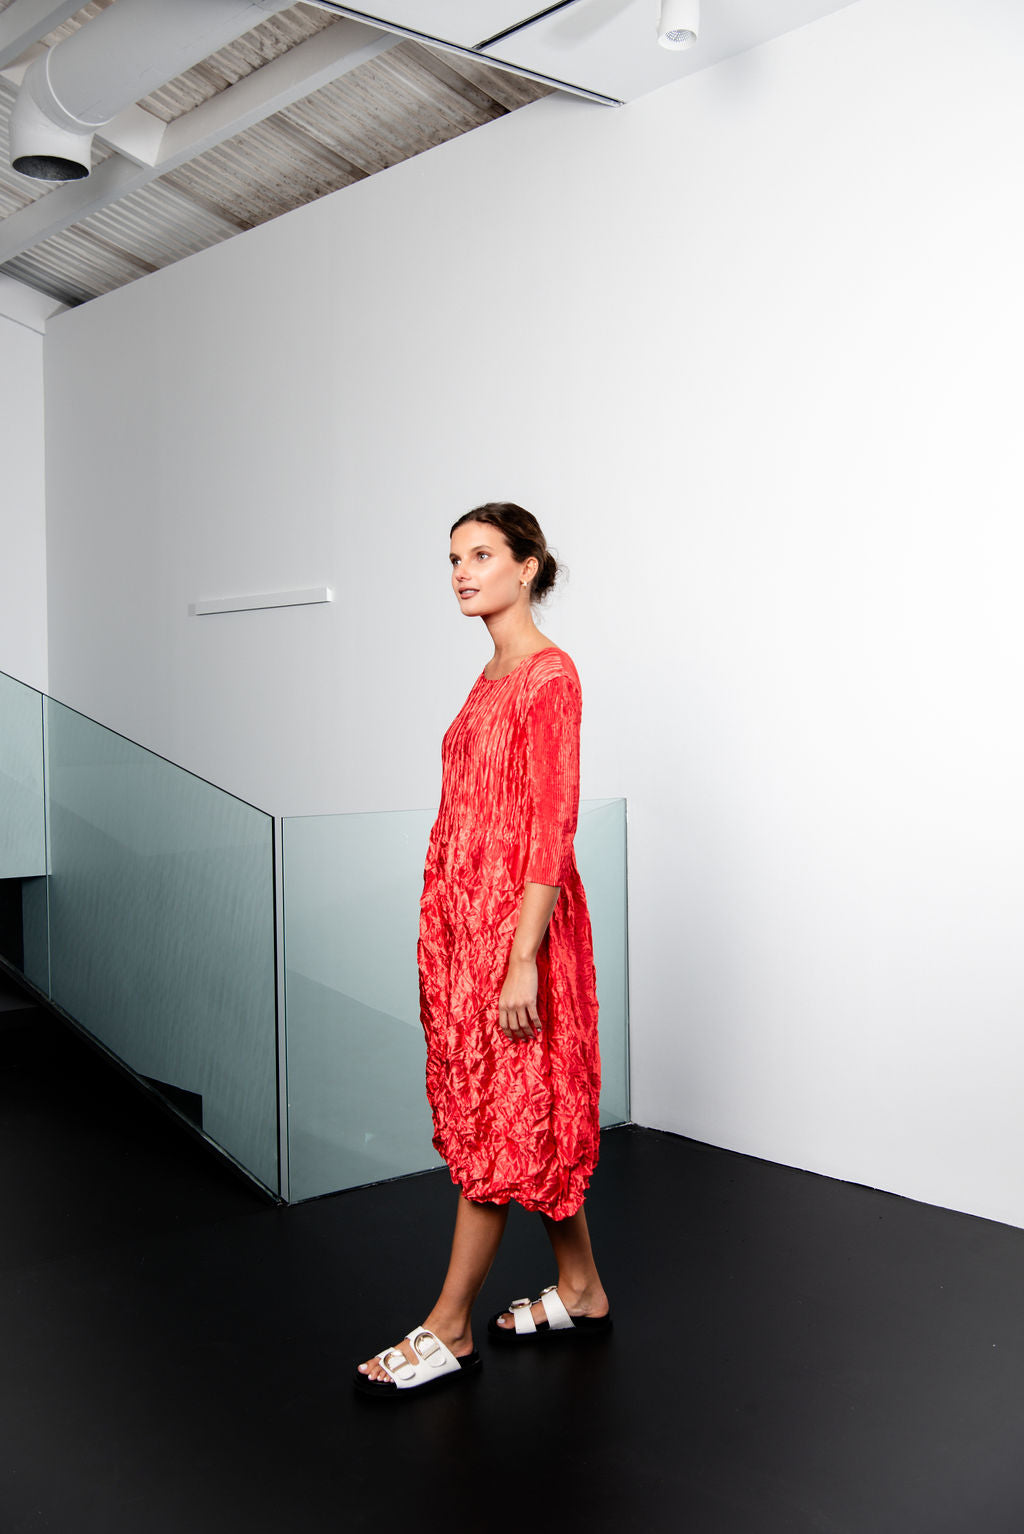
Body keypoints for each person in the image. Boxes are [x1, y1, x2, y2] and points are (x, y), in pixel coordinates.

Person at [355, 502, 610, 1396]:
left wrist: (523, 957)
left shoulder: (549, 676)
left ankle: (450, 1325)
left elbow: (551, 826)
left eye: (482, 555)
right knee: (509, 1109)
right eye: (454, 558)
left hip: (516, 932)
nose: (462, 572)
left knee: (504, 1116)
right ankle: (581, 1287)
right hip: (466, 929)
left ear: (528, 566)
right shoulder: (490, 675)